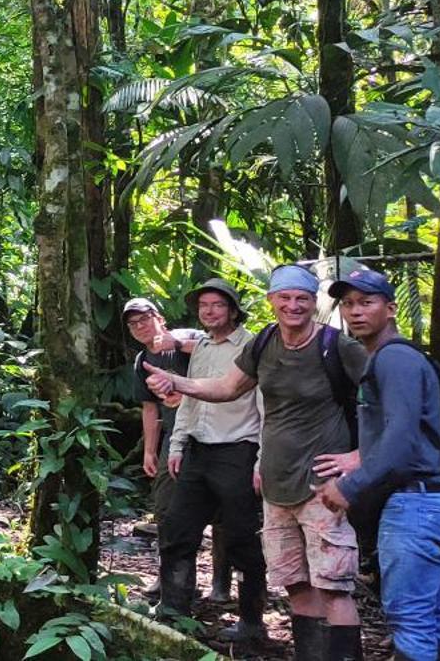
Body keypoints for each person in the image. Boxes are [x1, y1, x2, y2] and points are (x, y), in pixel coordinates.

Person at [150, 264, 369, 661]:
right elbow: (226, 388)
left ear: (314, 303)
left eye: (302, 298)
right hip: (275, 486)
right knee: (297, 583)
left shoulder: (338, 346)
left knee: (334, 584)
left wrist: (362, 455)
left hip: (321, 483)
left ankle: (305, 642)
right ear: (271, 302)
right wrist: (177, 384)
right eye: (284, 297)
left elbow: (382, 399)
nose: (292, 305)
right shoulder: (265, 343)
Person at [315, 269, 440, 661]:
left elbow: (401, 439)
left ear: (391, 308)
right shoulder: (388, 357)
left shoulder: (394, 359)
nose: (355, 312)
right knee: (437, 615)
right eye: (348, 304)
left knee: (410, 618)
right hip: (427, 502)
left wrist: (349, 486)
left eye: (366, 303)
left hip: (413, 505)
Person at [153, 279, 268, 643]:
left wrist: (262, 458)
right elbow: (190, 398)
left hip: (238, 450)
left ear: (233, 310)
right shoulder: (200, 346)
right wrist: (176, 445)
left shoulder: (251, 345)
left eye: (218, 305)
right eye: (204, 305)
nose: (209, 311)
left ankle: (251, 622)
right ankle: (173, 612)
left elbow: (265, 404)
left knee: (242, 540)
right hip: (198, 452)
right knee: (177, 530)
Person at [122, 298, 230, 603]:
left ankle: (221, 583)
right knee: (166, 507)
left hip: (215, 432)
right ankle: (169, 578)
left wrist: (177, 343)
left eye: (144, 319)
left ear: (159, 318)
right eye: (133, 324)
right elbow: (148, 408)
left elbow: (221, 356)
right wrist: (149, 451)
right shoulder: (142, 359)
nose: (140, 327)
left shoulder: (189, 337)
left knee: (221, 508)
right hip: (175, 436)